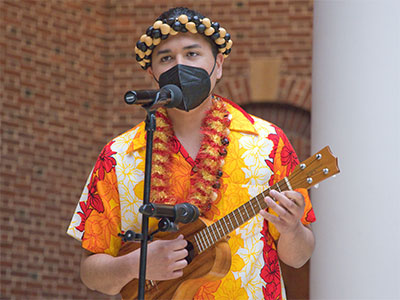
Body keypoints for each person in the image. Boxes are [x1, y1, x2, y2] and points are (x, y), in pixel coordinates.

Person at [67, 7, 316, 300]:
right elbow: (92, 272)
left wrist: (292, 230)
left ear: (219, 64)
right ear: (152, 72)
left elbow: (299, 256)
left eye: (192, 54)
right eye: (166, 58)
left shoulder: (269, 142)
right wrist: (136, 264)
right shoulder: (119, 156)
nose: (180, 65)